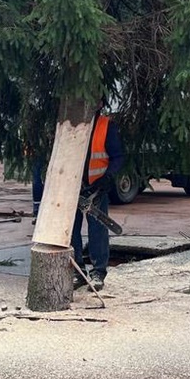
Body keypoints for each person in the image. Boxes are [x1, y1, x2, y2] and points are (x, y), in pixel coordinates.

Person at [72, 110, 124, 291]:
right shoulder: (71, 121)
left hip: (96, 187)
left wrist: (108, 177)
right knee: (70, 231)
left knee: (98, 231)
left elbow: (117, 156)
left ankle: (98, 272)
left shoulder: (105, 125)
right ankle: (77, 271)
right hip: (72, 186)